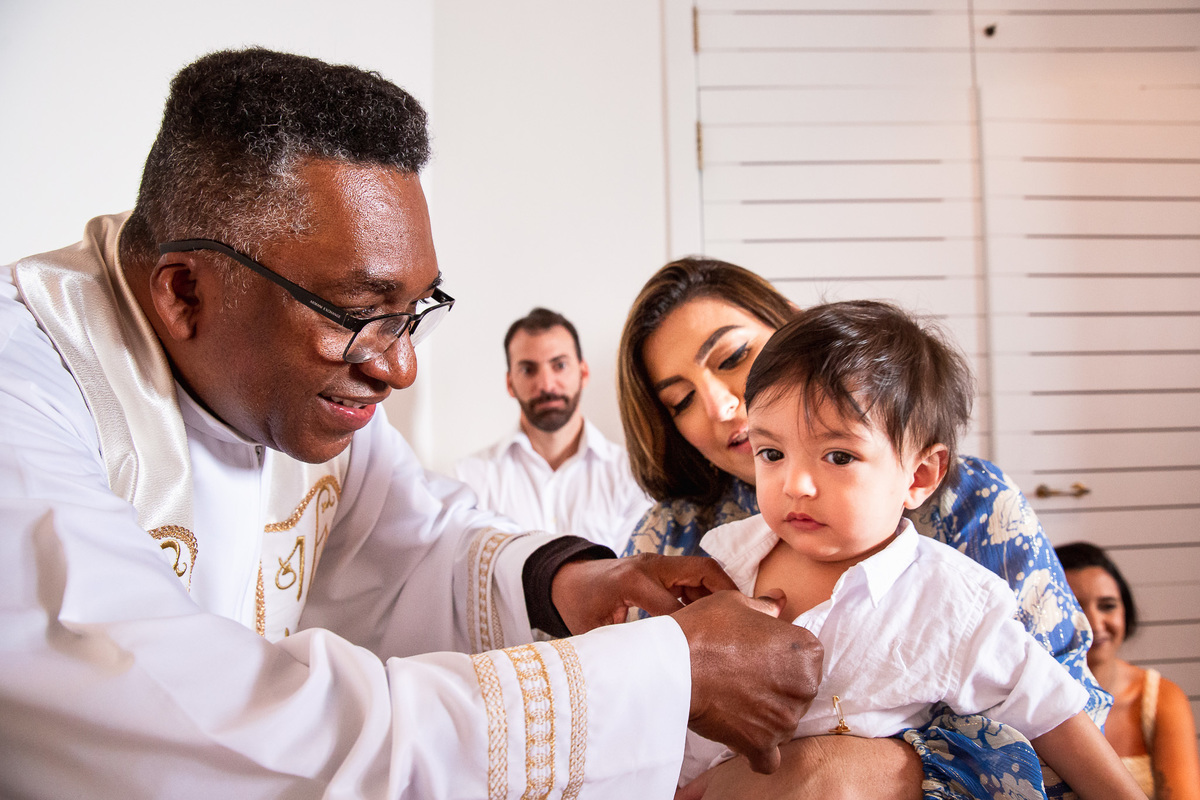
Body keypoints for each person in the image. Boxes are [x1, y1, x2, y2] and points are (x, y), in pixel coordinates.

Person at [0, 49, 827, 799]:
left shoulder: (303, 396)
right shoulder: (25, 401)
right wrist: (657, 677)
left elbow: (416, 540)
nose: (400, 367)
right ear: (185, 293)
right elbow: (200, 736)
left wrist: (566, 582)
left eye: (414, 312)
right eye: (361, 313)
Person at [617, 256, 1110, 799]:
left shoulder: (966, 539)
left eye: (734, 357)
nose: (718, 405)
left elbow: (1061, 724)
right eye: (680, 399)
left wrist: (870, 769)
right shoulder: (684, 546)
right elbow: (613, 715)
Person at [454, 307, 650, 553]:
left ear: (584, 373)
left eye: (559, 365)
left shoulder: (633, 477)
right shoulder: (470, 480)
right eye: (528, 369)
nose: (546, 385)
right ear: (510, 383)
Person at [1057, 542, 1200, 799]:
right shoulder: (1028, 702)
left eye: (1108, 605)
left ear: (1126, 610)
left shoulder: (1160, 699)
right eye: (1075, 609)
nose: (1094, 623)